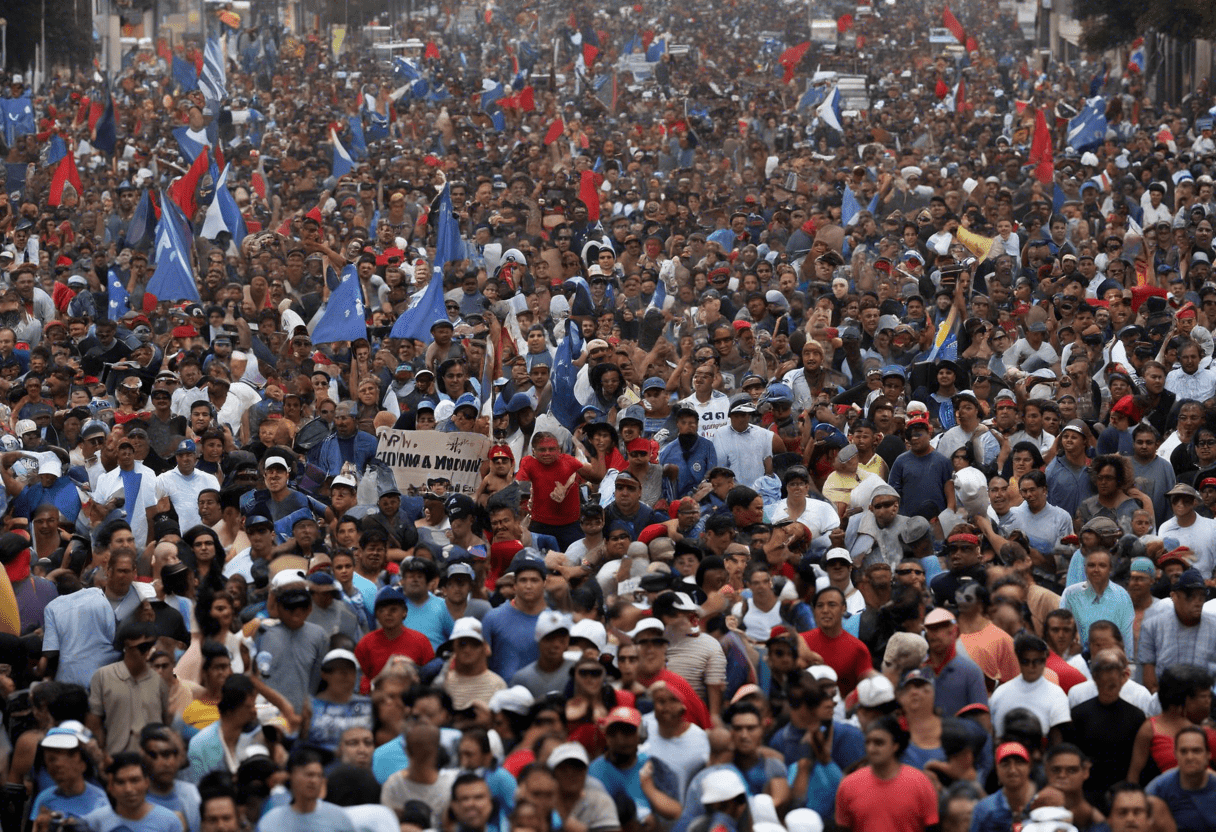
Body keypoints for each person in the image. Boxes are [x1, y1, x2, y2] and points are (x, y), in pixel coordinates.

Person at [834, 715, 938, 832]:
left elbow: (931, 827)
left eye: (879, 743)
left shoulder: (920, 783)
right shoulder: (848, 785)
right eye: (868, 743)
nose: (871, 748)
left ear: (895, 745)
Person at [987, 633, 1071, 746]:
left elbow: (1058, 738)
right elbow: (993, 733)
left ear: (1045, 660)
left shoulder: (1056, 695)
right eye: (1026, 661)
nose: (1032, 666)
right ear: (1018, 660)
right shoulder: (1001, 693)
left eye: (1038, 661)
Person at [256, 747, 357, 832]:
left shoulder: (339, 818)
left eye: (319, 776)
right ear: (292, 776)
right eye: (309, 775)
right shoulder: (271, 821)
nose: (314, 781)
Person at [82, 752, 184, 832]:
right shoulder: (93, 822)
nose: (128, 789)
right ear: (110, 786)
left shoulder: (169, 821)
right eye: (120, 782)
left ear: (147, 782)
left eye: (135, 780)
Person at [1145, 726, 1216, 831]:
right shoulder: (1158, 788)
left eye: (1196, 751)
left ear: (1208, 755)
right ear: (1175, 754)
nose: (1190, 757)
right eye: (1183, 751)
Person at [968, 742, 1038, 832]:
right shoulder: (984, 809)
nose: (1012, 770)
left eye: (1019, 763)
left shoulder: (1045, 802)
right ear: (997, 769)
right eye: (1005, 764)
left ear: (1029, 766)